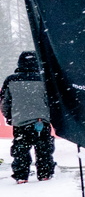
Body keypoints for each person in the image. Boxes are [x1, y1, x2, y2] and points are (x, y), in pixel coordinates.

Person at [1, 51, 55, 183]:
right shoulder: (45, 79)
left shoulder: (11, 80)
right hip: (42, 121)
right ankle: (45, 174)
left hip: (20, 122)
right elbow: (52, 100)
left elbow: (5, 102)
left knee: (21, 150)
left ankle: (21, 175)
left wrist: (9, 117)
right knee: (44, 149)